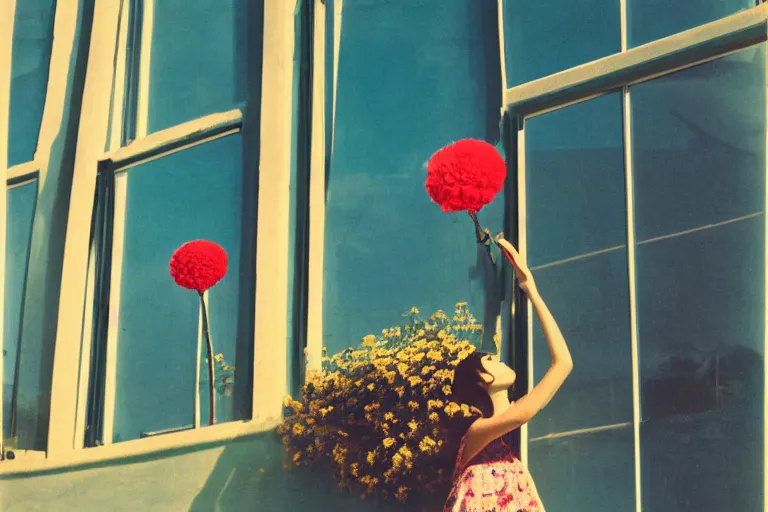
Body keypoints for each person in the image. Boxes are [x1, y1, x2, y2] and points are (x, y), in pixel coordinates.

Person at [443, 236, 573, 512]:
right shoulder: (476, 433)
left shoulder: (507, 455)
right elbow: (521, 414)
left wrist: (531, 290)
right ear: (483, 379)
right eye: (491, 360)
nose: (500, 361)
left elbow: (563, 363)